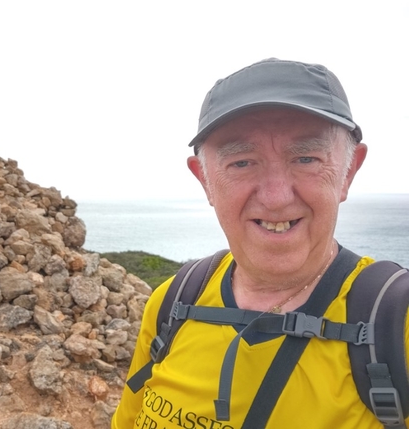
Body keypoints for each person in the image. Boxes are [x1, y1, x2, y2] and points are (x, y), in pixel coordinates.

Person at [111, 58, 408, 428]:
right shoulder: (171, 303)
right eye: (241, 162)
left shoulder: (397, 325)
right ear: (204, 179)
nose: (276, 197)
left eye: (305, 157)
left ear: (348, 171)